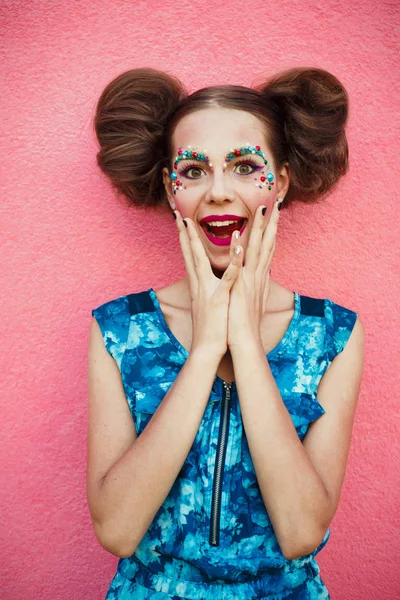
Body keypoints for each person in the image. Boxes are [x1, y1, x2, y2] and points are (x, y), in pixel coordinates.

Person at [86, 67, 365, 600]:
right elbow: (118, 532)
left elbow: (302, 532)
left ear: (280, 182)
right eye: (192, 170)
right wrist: (209, 344)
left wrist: (245, 338)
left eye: (244, 166)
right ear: (171, 188)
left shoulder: (333, 336)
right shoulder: (119, 330)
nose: (217, 192)